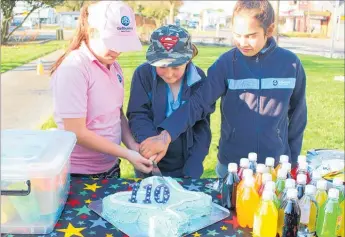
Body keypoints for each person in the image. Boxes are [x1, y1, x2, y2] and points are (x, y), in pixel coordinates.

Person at [139, 0, 307, 178]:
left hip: (275, 167)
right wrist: (166, 135)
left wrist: (293, 162)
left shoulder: (291, 65)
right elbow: (198, 103)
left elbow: (298, 117)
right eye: (237, 35)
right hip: (232, 166)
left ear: (270, 30)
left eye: (250, 35)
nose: (242, 42)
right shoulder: (226, 64)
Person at [50, 1, 153, 179]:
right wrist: (127, 154)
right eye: (112, 42)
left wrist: (132, 146)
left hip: (110, 166)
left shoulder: (113, 65)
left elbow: (116, 114)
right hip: (79, 173)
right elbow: (76, 132)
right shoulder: (74, 68)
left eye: (122, 43)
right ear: (91, 31)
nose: (117, 50)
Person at [127, 25, 212, 178]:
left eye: (176, 67)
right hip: (149, 162)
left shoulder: (199, 78)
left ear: (189, 59)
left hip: (186, 164)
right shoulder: (143, 74)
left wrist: (194, 164)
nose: (169, 74)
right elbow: (138, 114)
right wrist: (150, 149)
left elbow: (202, 126)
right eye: (162, 66)